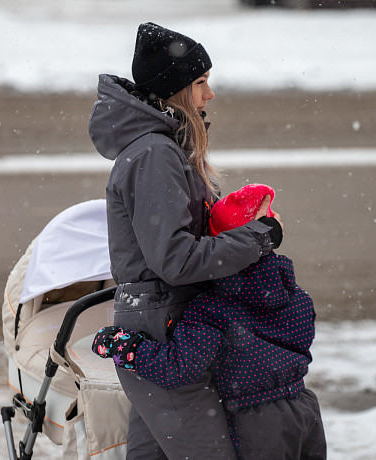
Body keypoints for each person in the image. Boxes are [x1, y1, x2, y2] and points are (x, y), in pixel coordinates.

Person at [88, 23, 284, 460]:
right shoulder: (155, 154)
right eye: (200, 83)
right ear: (175, 91)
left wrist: (227, 221)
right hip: (163, 330)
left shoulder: (160, 149)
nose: (209, 94)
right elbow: (174, 260)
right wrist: (258, 238)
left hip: (163, 323)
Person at [93, 184, 327, 460]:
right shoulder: (297, 296)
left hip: (255, 423)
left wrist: (123, 347)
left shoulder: (213, 308)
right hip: (303, 410)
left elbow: (179, 368)